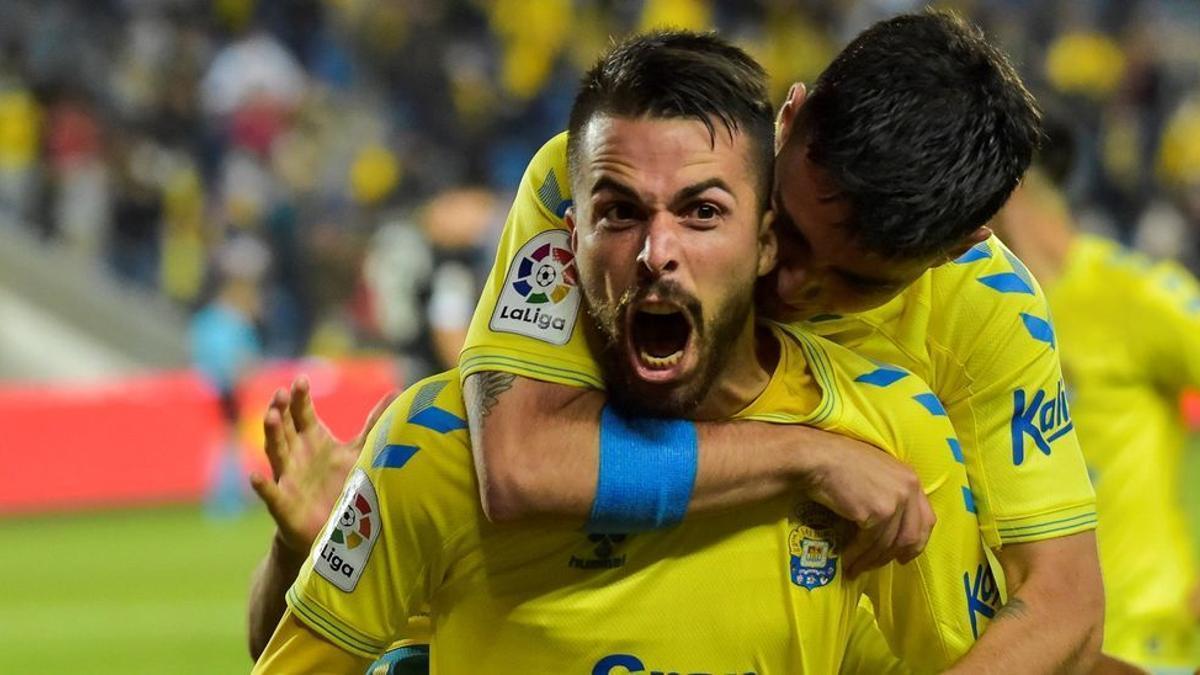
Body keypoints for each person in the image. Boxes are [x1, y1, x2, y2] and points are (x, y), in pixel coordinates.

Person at [250, 11, 1104, 671]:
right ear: (791, 119)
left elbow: (1063, 601)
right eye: (792, 231)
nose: (790, 285)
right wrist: (808, 456)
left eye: (858, 283)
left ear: (955, 249)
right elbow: (519, 463)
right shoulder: (610, 175)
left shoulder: (963, 344)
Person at [996, 114, 1200, 671]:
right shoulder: (965, 310)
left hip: (1137, 641)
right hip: (1021, 642)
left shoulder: (1133, 294)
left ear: (1009, 184)